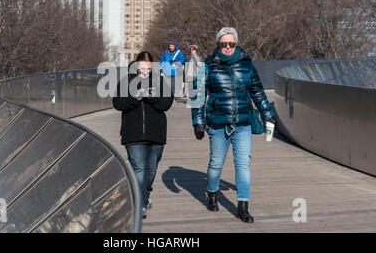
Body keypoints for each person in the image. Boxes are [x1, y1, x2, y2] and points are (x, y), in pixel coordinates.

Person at [191, 27, 276, 223]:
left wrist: (267, 113)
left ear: (236, 44)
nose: (228, 47)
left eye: (231, 43)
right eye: (224, 44)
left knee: (243, 165)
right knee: (216, 164)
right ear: (218, 45)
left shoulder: (246, 64)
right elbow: (199, 95)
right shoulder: (209, 66)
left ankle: (242, 206)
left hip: (243, 123)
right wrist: (198, 121)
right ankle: (212, 193)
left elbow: (257, 91)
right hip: (218, 123)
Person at [113, 51, 174, 219]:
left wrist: (152, 96)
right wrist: (136, 97)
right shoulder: (127, 81)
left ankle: (145, 195)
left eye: (148, 68)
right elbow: (117, 103)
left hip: (156, 134)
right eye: (141, 68)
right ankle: (139, 204)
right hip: (133, 134)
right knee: (139, 168)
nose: (145, 71)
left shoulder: (160, 81)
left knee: (151, 170)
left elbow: (167, 103)